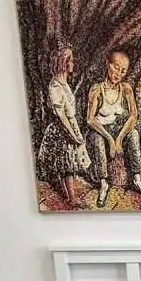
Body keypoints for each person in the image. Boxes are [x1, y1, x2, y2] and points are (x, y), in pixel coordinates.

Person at [85, 50, 141, 208]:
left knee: (133, 133)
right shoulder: (96, 90)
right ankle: (103, 183)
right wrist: (110, 139)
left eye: (123, 70)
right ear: (107, 64)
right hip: (100, 130)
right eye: (116, 67)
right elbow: (90, 119)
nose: (118, 73)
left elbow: (133, 116)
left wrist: (119, 139)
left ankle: (137, 178)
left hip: (118, 130)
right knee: (97, 139)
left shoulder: (126, 89)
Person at [37, 46, 91, 206]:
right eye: (70, 61)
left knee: (68, 164)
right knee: (67, 165)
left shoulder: (64, 83)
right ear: (63, 63)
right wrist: (73, 135)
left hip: (70, 125)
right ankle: (72, 198)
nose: (73, 63)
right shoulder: (55, 87)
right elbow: (61, 116)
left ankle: (69, 196)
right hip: (62, 130)